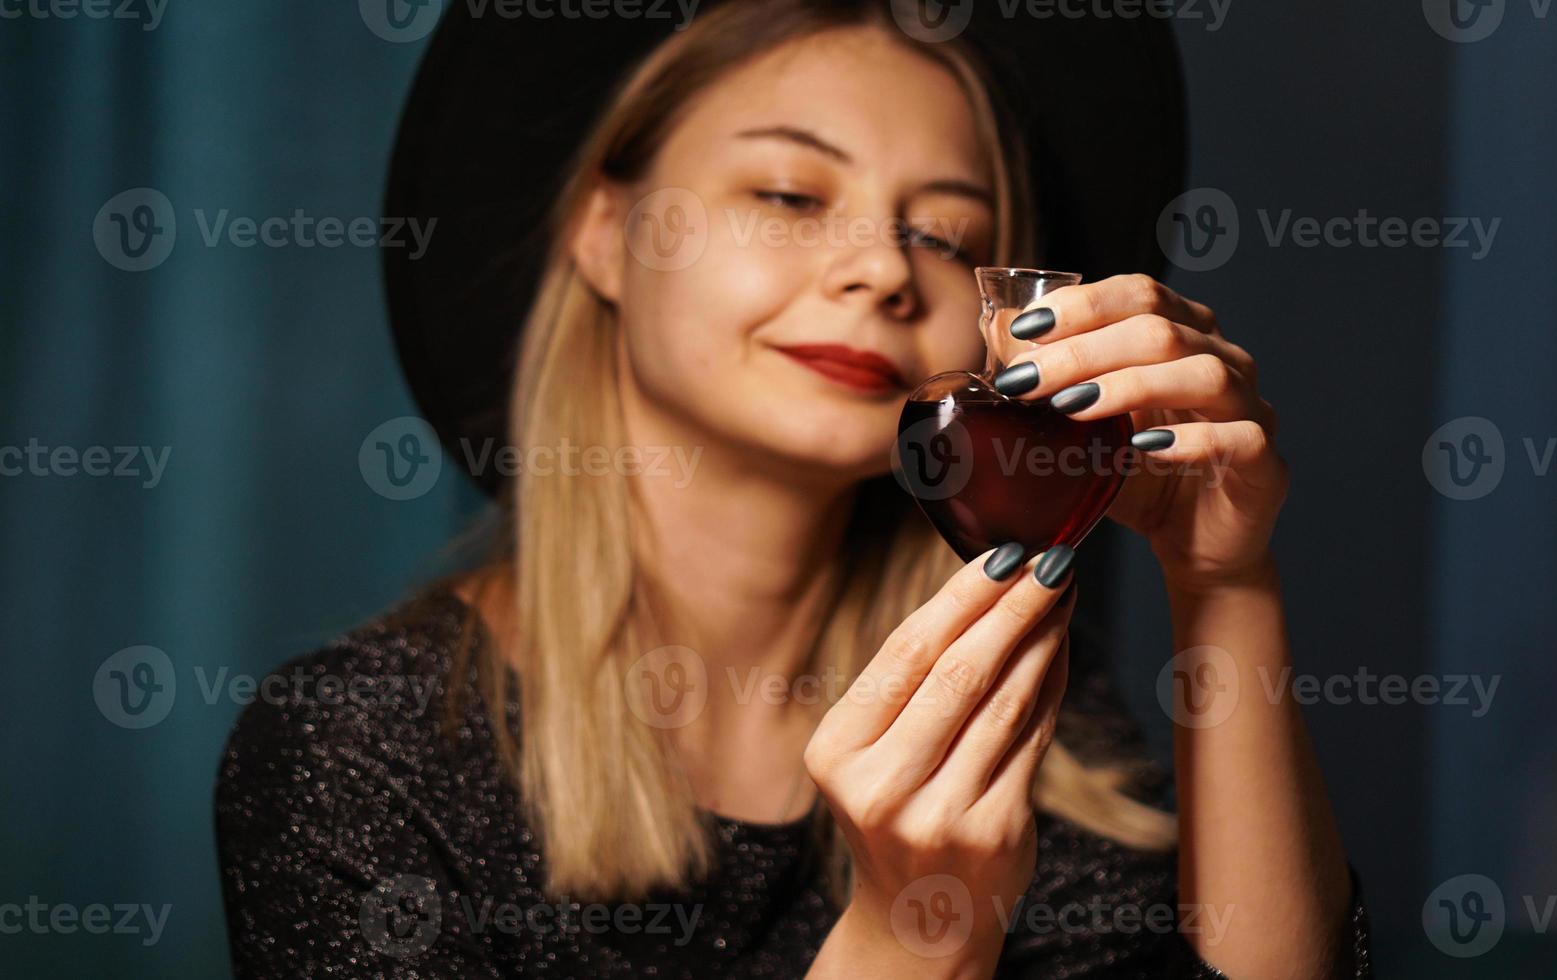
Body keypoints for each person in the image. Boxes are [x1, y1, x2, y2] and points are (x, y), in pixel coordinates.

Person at [215, 1, 1370, 976]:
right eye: (787, 193)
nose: (880, 265)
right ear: (607, 234)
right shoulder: (353, 751)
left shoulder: (1039, 727)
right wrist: (908, 937)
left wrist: (1223, 580)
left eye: (944, 232)